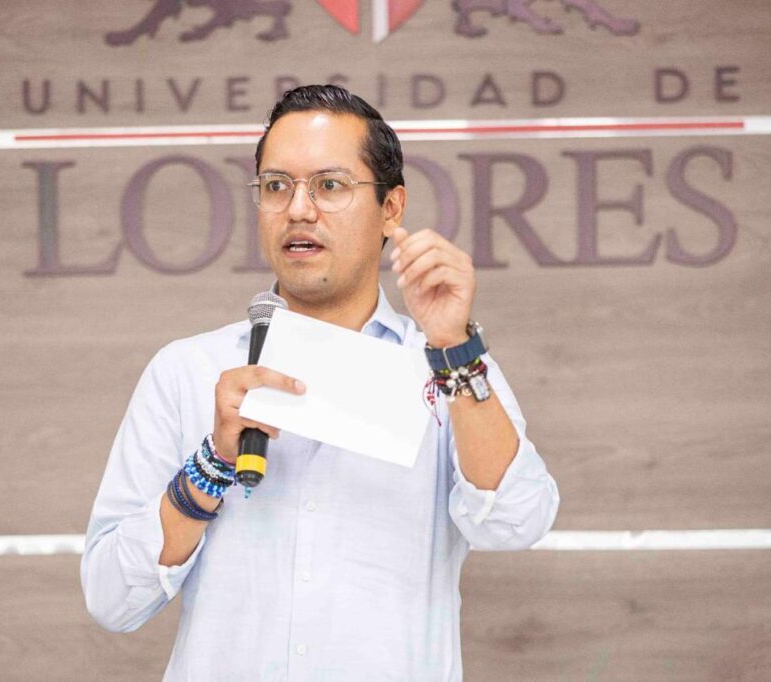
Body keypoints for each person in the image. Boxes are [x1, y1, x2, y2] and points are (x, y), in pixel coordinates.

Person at [81, 84, 559, 681]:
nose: (298, 210)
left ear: (391, 208)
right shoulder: (189, 370)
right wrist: (210, 465)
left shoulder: (444, 366)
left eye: (330, 186)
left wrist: (454, 349)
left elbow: (516, 521)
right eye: (276, 186)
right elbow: (111, 598)